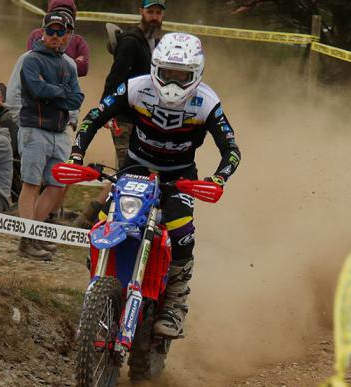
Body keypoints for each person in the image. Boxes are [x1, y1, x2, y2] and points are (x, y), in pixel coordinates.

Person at [69, 33, 242, 338]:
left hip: (180, 177)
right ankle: (100, 288)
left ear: (196, 73)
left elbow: (231, 148)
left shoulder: (207, 102)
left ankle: (174, 304)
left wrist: (218, 178)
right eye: (167, 73)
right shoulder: (136, 87)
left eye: (181, 75)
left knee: (182, 233)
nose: (173, 82)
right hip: (136, 168)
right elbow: (95, 116)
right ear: (155, 68)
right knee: (104, 222)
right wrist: (76, 155)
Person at [73, 0, 164, 229]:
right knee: (131, 173)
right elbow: (115, 77)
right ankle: (95, 219)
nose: (154, 16)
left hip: (144, 119)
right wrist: (106, 111)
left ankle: (90, 217)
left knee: (129, 171)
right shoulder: (131, 42)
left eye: (158, 12)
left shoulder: (156, 42)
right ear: (141, 11)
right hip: (123, 115)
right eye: (150, 11)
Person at [17, 11, 83, 260]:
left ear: (67, 35)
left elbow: (77, 98)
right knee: (31, 184)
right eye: (50, 30)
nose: (55, 35)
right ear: (42, 32)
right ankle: (27, 240)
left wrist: (53, 92)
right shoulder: (31, 60)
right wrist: (62, 93)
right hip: (34, 128)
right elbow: (37, 89)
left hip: (59, 131)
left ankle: (33, 234)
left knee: (57, 184)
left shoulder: (69, 64)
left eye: (60, 31)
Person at [25, 0, 89, 78]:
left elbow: (83, 68)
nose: (59, 36)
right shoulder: (37, 34)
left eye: (66, 31)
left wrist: (51, 64)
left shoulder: (78, 41)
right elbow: (35, 64)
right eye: (52, 30)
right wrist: (72, 64)